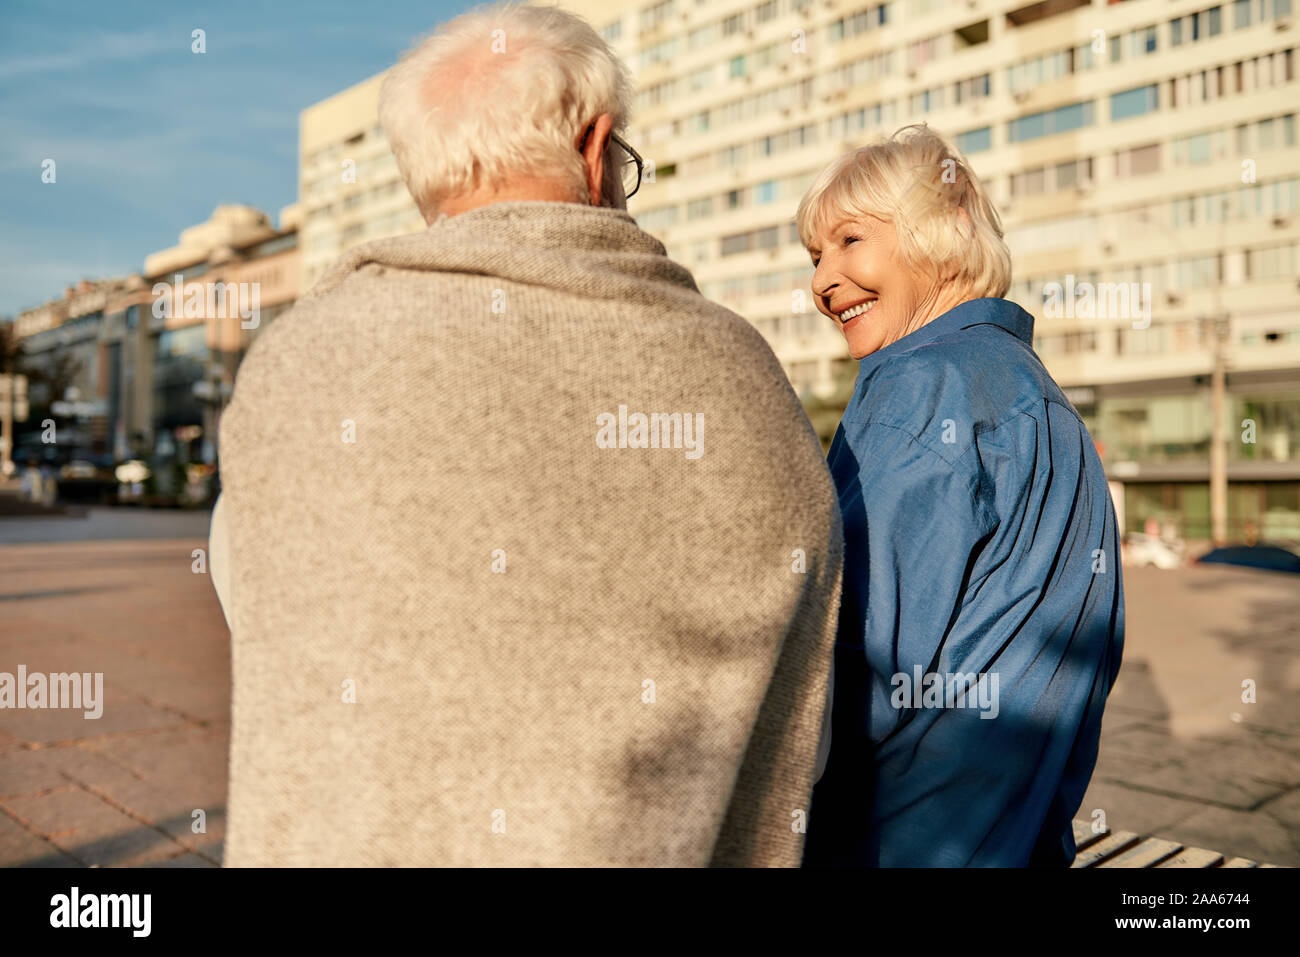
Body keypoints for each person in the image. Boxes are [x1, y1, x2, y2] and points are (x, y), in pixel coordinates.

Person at [208, 2, 842, 867]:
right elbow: (811, 718)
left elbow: (260, 609)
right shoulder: (740, 377)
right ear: (596, 145)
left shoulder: (293, 365)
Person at [797, 125, 1125, 867]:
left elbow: (857, 660)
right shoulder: (1039, 400)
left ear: (938, 237)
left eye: (850, 241)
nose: (822, 280)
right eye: (815, 256)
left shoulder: (922, 388)